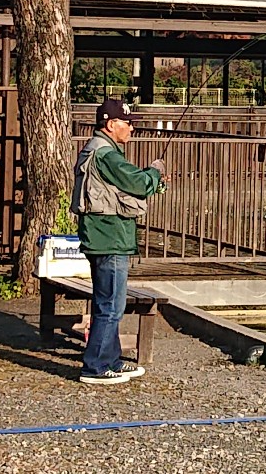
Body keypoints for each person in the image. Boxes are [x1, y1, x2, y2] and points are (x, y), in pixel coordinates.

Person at [71, 97, 166, 385]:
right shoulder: (105, 154)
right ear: (111, 125)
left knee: (111, 302)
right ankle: (95, 367)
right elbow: (136, 182)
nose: (132, 128)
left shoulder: (100, 150)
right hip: (108, 237)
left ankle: (111, 360)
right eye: (128, 123)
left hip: (105, 236)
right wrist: (155, 172)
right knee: (110, 304)